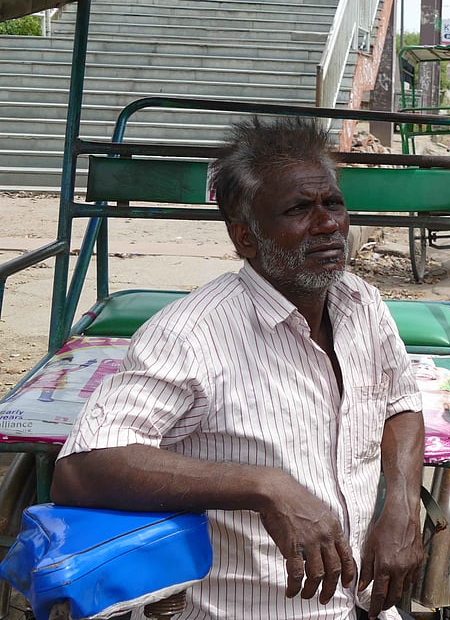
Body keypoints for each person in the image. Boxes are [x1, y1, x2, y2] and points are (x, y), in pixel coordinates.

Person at [52, 116, 427, 620]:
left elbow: (401, 401)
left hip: (361, 604)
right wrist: (264, 486)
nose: (328, 224)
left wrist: (401, 503)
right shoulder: (190, 334)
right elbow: (83, 467)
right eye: (299, 209)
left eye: (332, 203)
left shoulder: (361, 303)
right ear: (245, 238)